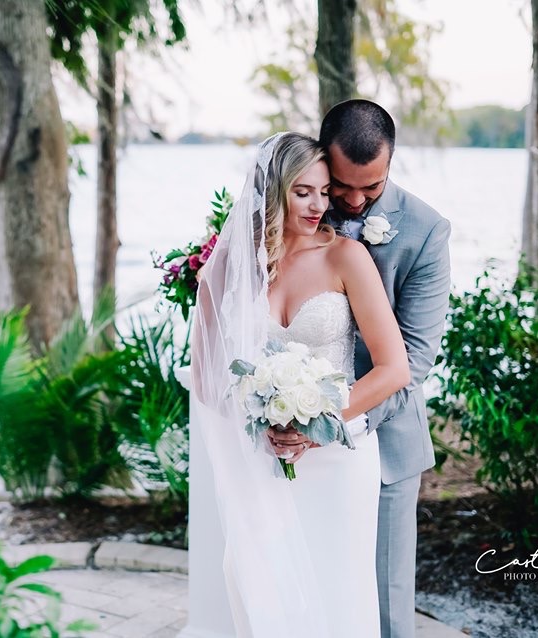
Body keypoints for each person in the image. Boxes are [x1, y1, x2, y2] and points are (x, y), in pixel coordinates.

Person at [191, 131, 409, 637]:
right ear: (273, 192)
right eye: (302, 191)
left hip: (339, 457)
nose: (318, 205)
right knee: (256, 586)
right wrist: (259, 421)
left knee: (338, 592)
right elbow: (206, 377)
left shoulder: (346, 257)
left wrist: (319, 425)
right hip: (264, 459)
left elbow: (393, 368)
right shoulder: (231, 267)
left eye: (324, 191)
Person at [315, 99, 451, 638]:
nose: (351, 201)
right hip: (289, 434)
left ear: (390, 163)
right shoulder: (300, 207)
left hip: (386, 438)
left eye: (370, 189)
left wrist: (333, 421)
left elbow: (413, 361)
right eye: (341, 186)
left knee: (388, 604)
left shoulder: (425, 231)